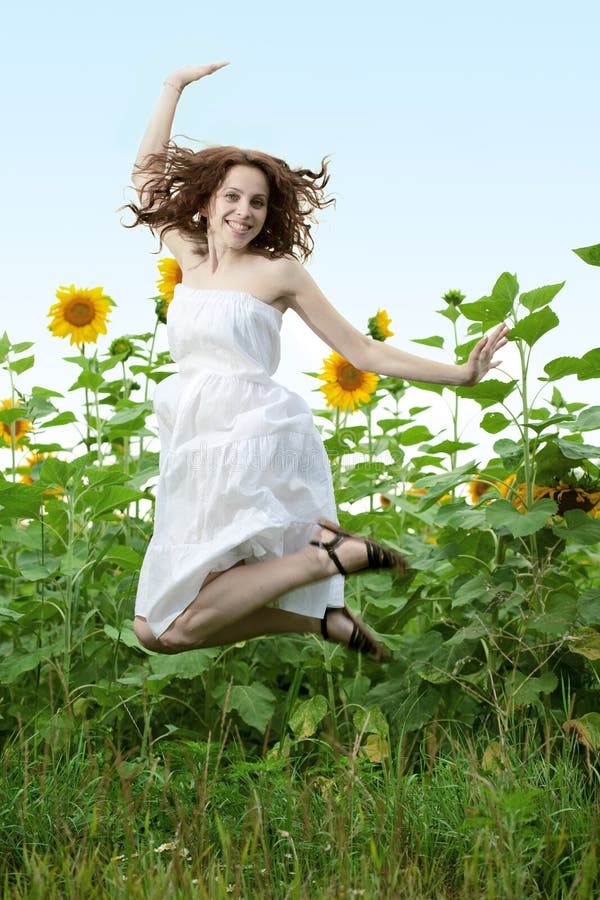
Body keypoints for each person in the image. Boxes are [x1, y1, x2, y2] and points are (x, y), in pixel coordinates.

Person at [126, 63, 509, 661]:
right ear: (206, 201)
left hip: (251, 435)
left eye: (257, 202)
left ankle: (326, 558)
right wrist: (172, 87)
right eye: (232, 196)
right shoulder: (191, 256)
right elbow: (147, 181)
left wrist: (462, 374)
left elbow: (362, 351)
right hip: (192, 442)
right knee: (155, 631)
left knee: (172, 622)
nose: (245, 211)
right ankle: (320, 618)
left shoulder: (279, 272)